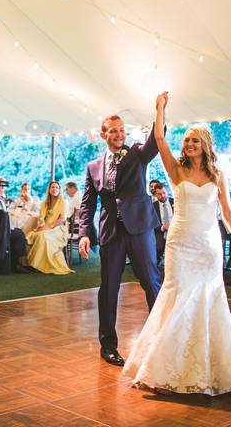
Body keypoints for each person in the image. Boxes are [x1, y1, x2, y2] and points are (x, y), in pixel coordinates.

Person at [123, 92, 231, 395]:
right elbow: (160, 140)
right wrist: (160, 108)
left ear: (205, 146)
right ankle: (163, 367)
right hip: (180, 244)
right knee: (176, 298)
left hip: (209, 247)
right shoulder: (176, 169)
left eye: (194, 141)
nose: (189, 145)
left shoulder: (217, 175)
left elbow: (227, 211)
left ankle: (211, 368)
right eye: (187, 140)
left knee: (208, 302)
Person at [78, 110, 163, 368]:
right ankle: (108, 346)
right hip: (111, 233)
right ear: (104, 134)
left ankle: (162, 339)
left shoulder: (137, 153)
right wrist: (83, 234)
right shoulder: (93, 166)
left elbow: (156, 141)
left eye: (121, 130)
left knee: (151, 282)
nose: (119, 134)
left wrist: (160, 110)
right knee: (108, 289)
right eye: (113, 130)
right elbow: (87, 203)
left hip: (139, 228)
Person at [26, 181, 71, 275]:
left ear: (59, 190)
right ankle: (35, 264)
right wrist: (41, 224)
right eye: (52, 187)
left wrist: (49, 227)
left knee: (43, 236)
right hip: (46, 227)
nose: (54, 189)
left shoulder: (63, 202)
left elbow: (62, 219)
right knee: (34, 235)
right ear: (49, 190)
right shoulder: (44, 203)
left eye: (56, 188)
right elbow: (41, 218)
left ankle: (37, 264)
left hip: (59, 228)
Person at [151, 183, 173, 267]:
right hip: (160, 232)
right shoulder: (153, 206)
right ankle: (157, 266)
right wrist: (163, 227)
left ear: (167, 191)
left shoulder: (174, 202)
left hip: (176, 232)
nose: (162, 196)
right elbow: (152, 225)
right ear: (155, 194)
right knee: (157, 248)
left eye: (164, 193)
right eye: (159, 194)